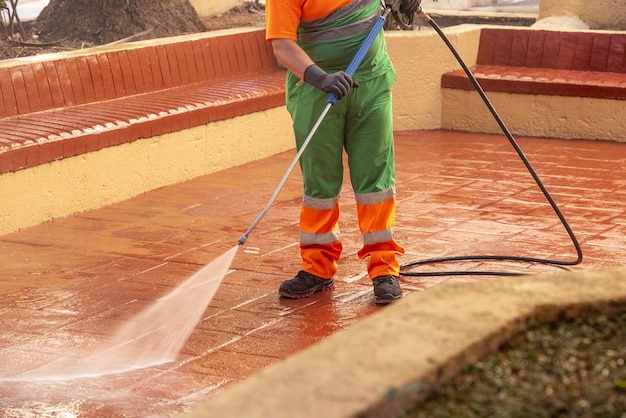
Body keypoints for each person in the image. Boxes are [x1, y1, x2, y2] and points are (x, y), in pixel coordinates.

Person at [265, 0, 419, 304]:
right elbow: (282, 46)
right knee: (319, 183)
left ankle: (384, 267)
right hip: (315, 90)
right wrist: (320, 77)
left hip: (371, 83)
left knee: (375, 179)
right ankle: (318, 268)